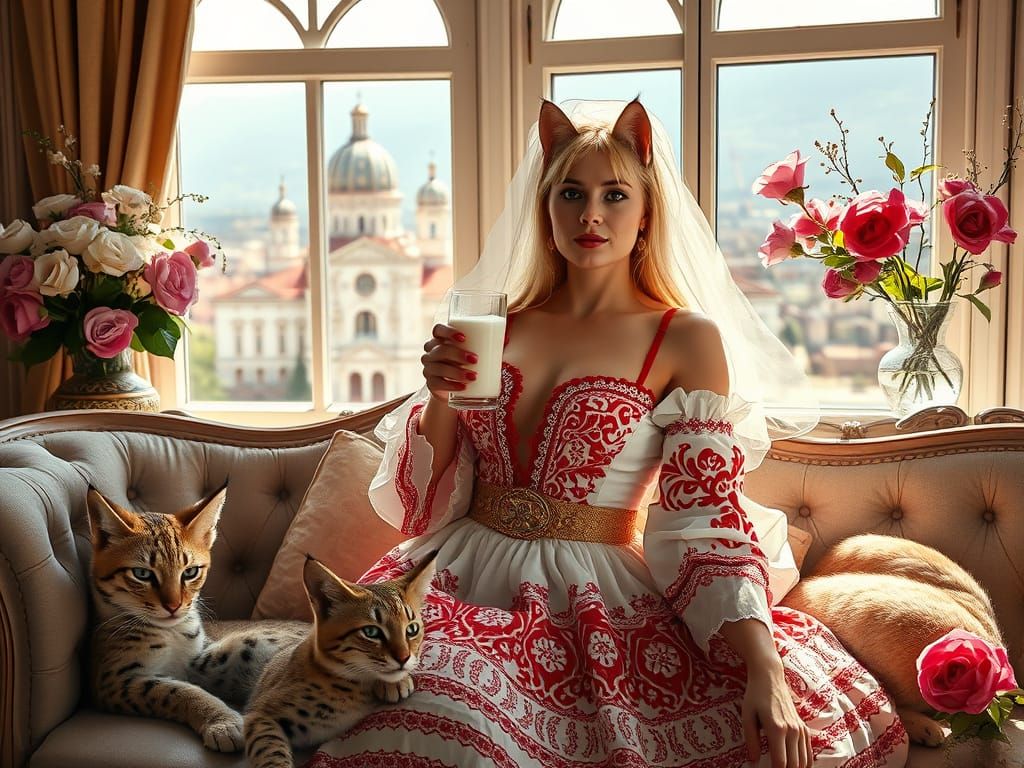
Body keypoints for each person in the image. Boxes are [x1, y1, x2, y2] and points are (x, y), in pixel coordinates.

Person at [306, 99, 908, 768]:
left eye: (614, 194)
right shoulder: (497, 324)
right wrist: (442, 397)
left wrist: (763, 666)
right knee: (415, 716)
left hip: (595, 592)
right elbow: (420, 507)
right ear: (546, 207)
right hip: (452, 576)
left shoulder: (683, 338)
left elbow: (707, 515)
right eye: (571, 193)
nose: (591, 214)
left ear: (645, 210)